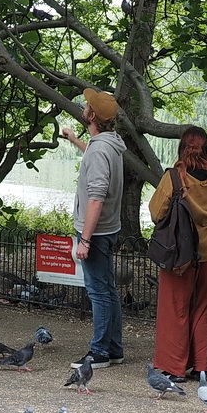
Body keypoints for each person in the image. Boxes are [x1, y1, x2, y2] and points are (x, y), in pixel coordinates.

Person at [149, 105, 207, 383]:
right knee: (202, 308)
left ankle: (174, 369)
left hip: (180, 255)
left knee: (175, 308)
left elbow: (156, 213)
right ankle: (200, 367)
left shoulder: (175, 178)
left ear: (181, 149)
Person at [61, 88, 126, 369]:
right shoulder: (109, 143)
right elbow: (95, 156)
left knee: (98, 292)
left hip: (96, 233)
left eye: (88, 105)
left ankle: (99, 352)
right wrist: (75, 140)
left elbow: (97, 197)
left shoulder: (101, 149)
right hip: (108, 229)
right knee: (108, 290)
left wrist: (84, 240)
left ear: (93, 116)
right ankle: (114, 349)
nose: (84, 106)